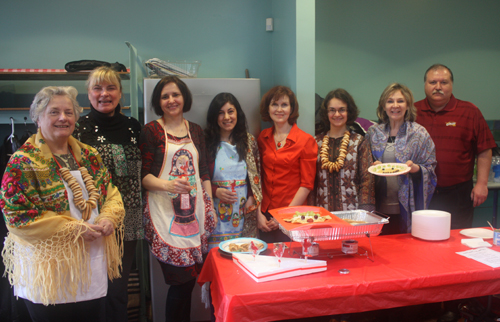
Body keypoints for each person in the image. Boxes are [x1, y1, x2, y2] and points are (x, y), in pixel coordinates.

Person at [0, 86, 124, 321]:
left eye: (69, 112)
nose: (63, 118)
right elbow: (17, 217)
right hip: (49, 272)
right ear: (37, 117)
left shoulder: (89, 155)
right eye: (54, 112)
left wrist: (109, 217)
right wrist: (73, 229)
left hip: (90, 263)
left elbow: (111, 193)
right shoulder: (23, 162)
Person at [139, 76, 216, 322]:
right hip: (164, 213)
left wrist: (209, 205)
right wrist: (169, 184)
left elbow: (203, 170)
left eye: (176, 95)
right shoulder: (151, 130)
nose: (171, 100)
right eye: (165, 96)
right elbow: (144, 176)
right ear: (158, 102)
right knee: (181, 283)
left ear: (184, 98)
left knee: (190, 280)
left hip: (194, 212)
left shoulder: (195, 130)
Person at [73, 66, 143, 322]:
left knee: (117, 288)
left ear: (120, 93)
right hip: (91, 220)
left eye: (111, 87)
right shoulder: (77, 129)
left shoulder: (133, 127)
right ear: (88, 94)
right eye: (97, 88)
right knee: (91, 287)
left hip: (130, 221)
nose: (104, 93)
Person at [415, 64, 496, 229]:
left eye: (443, 82)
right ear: (425, 85)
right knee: (421, 238)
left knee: (457, 239)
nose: (438, 87)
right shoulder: (413, 112)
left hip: (458, 193)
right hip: (420, 191)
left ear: (451, 85)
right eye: (433, 82)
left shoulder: (470, 111)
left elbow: (485, 149)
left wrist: (481, 184)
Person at [366, 83, 436, 234]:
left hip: (406, 207)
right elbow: (364, 166)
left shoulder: (419, 134)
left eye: (400, 101)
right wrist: (373, 165)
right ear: (383, 106)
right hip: (378, 207)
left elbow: (431, 168)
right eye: (390, 101)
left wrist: (415, 168)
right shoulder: (373, 133)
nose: (395, 105)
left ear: (408, 105)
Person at [257, 85, 318, 242]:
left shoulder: (306, 141)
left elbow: (306, 185)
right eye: (274, 104)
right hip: (265, 215)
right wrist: (258, 214)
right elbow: (257, 178)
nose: (279, 109)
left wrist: (282, 217)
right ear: (268, 108)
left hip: (292, 216)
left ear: (291, 109)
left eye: (284, 105)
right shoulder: (263, 137)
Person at [205, 93, 262, 248]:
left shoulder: (248, 141)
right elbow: (199, 177)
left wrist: (251, 197)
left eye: (231, 111)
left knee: (243, 254)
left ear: (238, 113)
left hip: (243, 208)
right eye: (221, 113)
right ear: (214, 117)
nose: (227, 117)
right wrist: (216, 191)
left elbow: (256, 175)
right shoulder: (206, 142)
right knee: (216, 256)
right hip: (215, 208)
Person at [310, 88, 375, 212]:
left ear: (349, 112)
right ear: (326, 113)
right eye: (332, 110)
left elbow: (367, 181)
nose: (337, 114)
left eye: (342, 110)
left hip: (353, 215)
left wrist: (366, 213)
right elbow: (312, 183)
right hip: (322, 214)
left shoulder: (359, 141)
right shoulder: (316, 142)